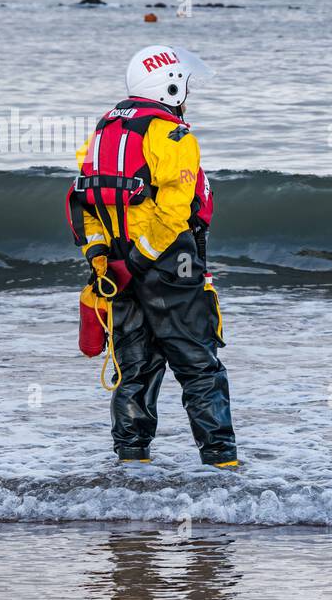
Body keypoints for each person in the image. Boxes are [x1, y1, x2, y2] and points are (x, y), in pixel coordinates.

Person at [66, 45, 238, 467]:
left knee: (134, 368)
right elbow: (174, 212)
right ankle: (223, 468)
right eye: (185, 84)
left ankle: (131, 467)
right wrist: (140, 260)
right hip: (166, 268)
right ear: (171, 85)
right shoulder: (174, 137)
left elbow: (83, 205)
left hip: (118, 272)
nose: (187, 92)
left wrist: (105, 260)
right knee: (200, 365)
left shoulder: (101, 133)